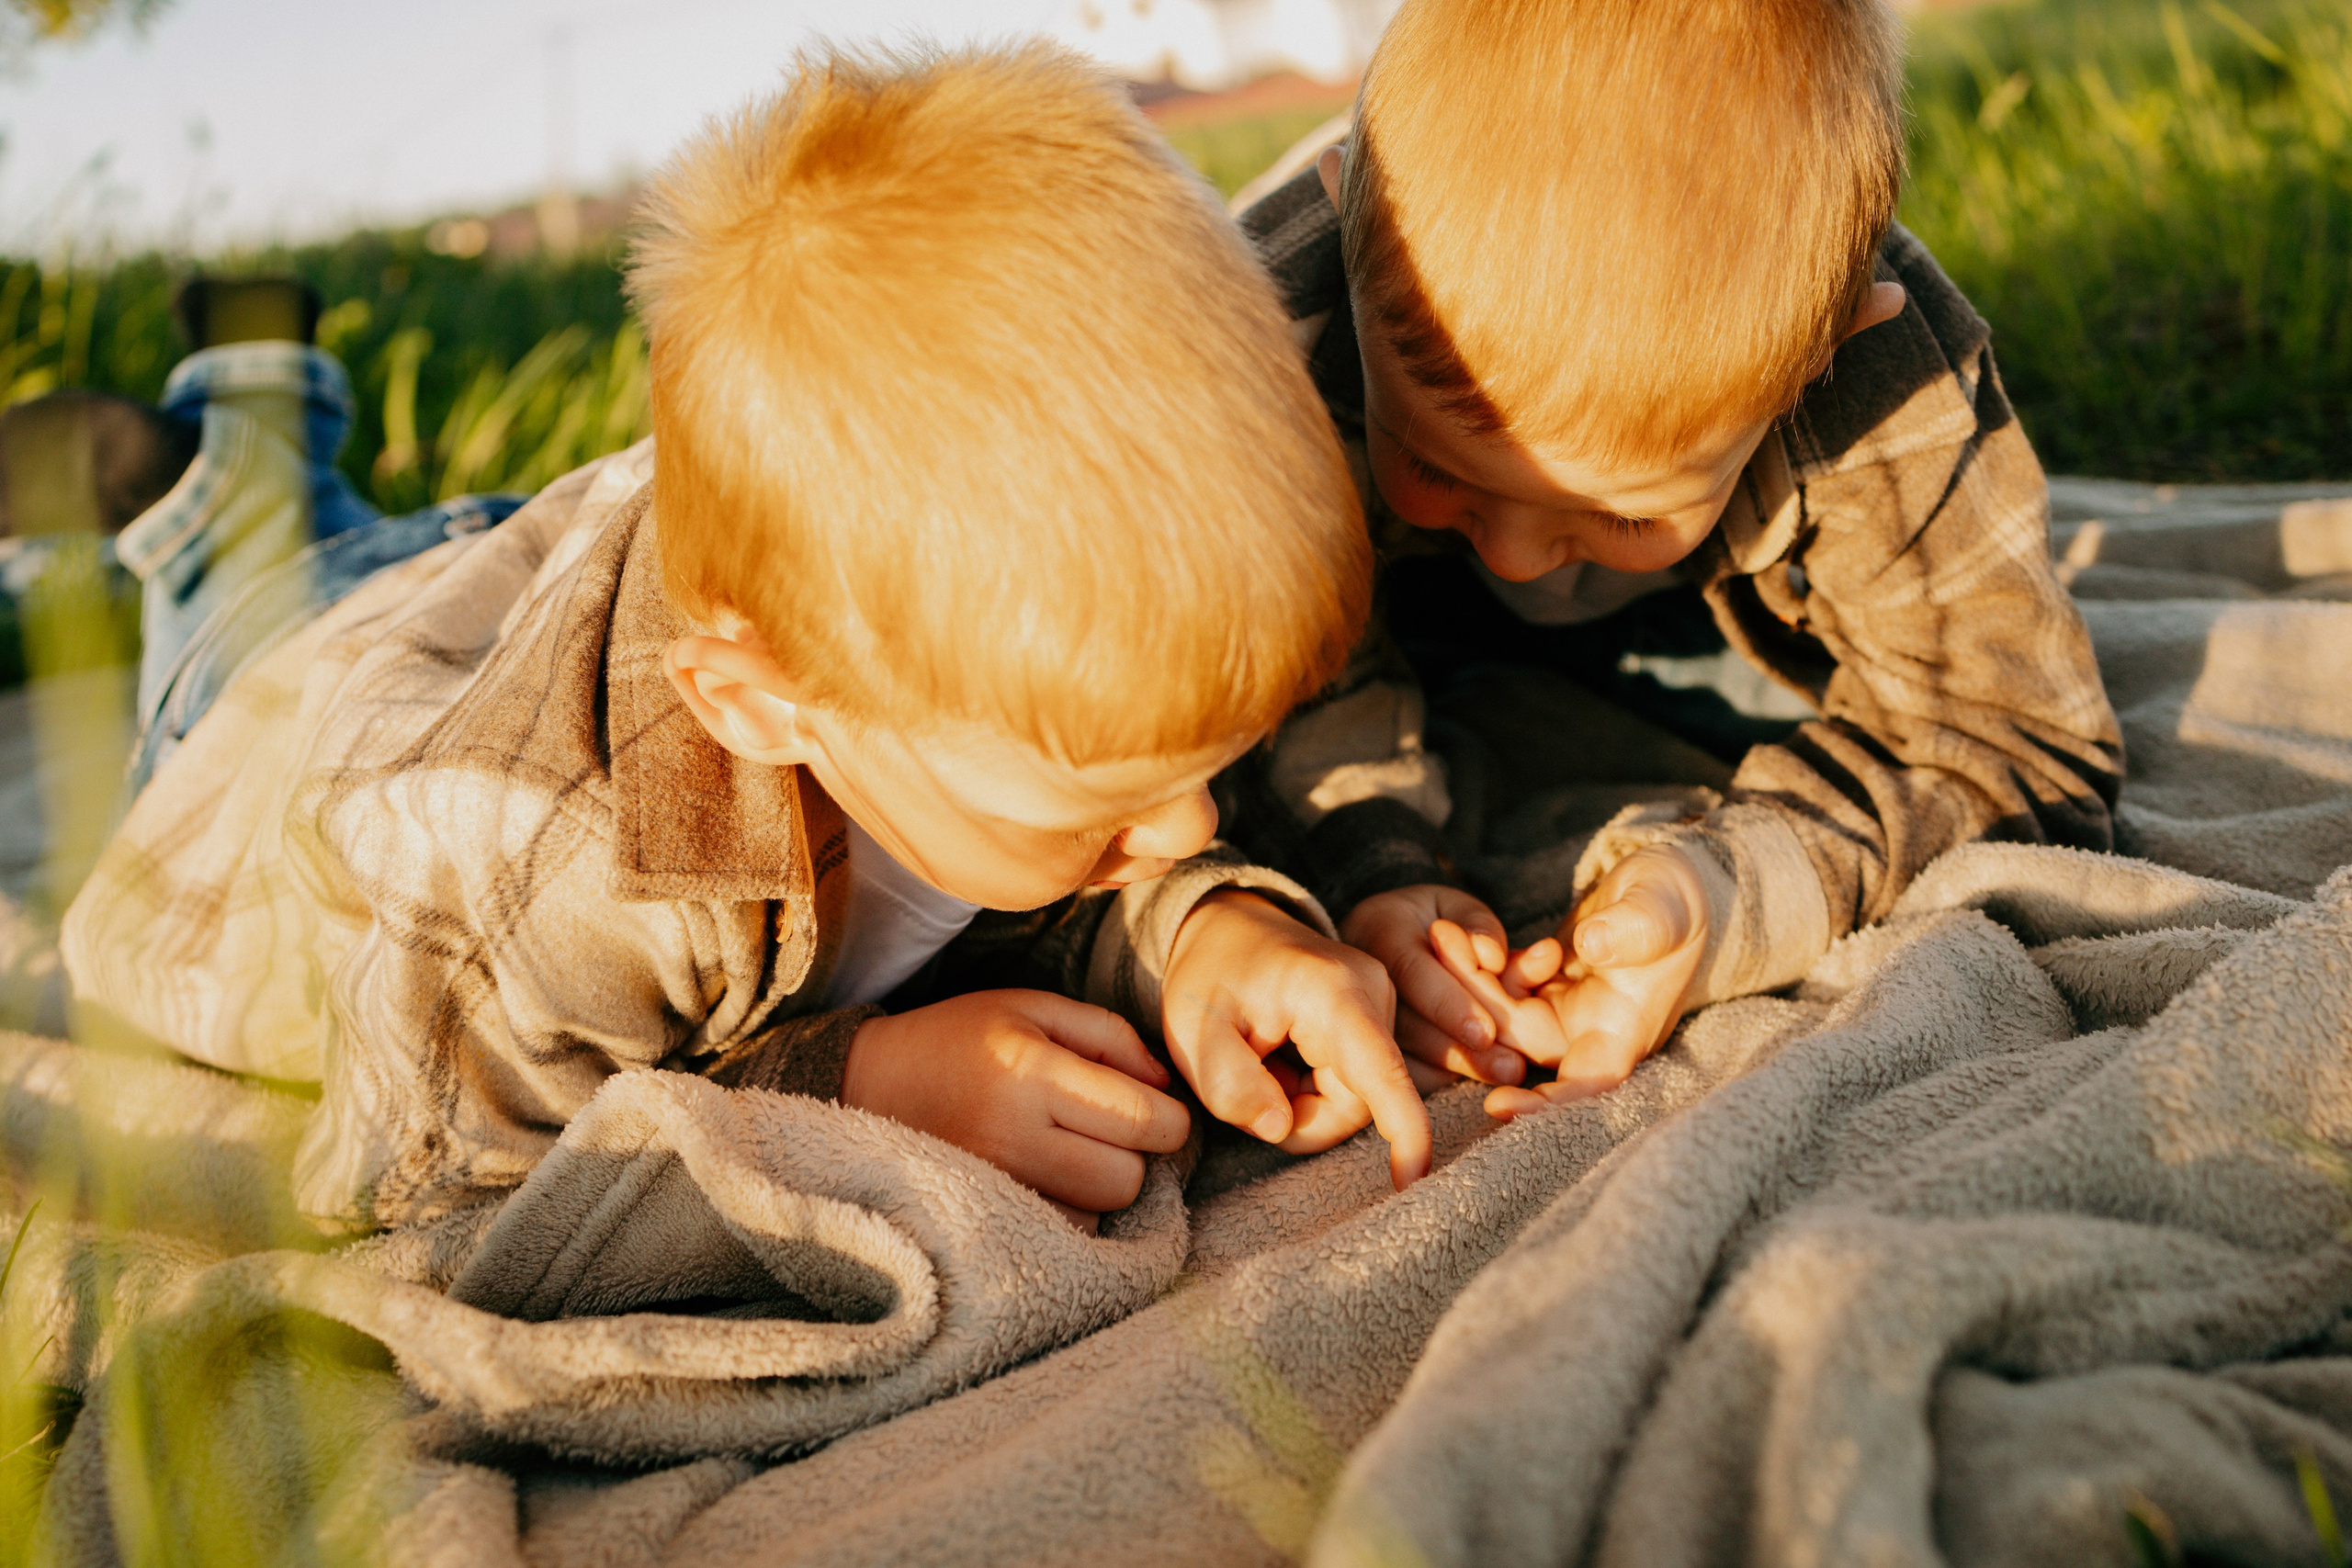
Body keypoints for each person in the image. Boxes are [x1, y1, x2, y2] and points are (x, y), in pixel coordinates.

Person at [61, 42, 1429, 1235]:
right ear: (763, 705)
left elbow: (1066, 866)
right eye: (1110, 808)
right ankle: (223, 467)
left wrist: (1211, 933)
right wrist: (855, 1087)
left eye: (1193, 775)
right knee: (245, 578)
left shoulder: (930, 660)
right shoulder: (547, 870)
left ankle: (255, 423)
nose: (1187, 824)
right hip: (268, 702)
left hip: (503, 568)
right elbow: (425, 1174)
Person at [1226, 0, 2123, 1115]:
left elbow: (2017, 738)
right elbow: (1177, 703)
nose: (1513, 558)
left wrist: (1721, 894)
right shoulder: (1248, 335)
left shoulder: (1886, 368)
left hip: (1722, 613)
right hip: (1356, 593)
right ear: (1342, 225)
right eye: (1437, 461)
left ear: (1828, 349)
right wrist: (1372, 862)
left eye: (1619, 511)